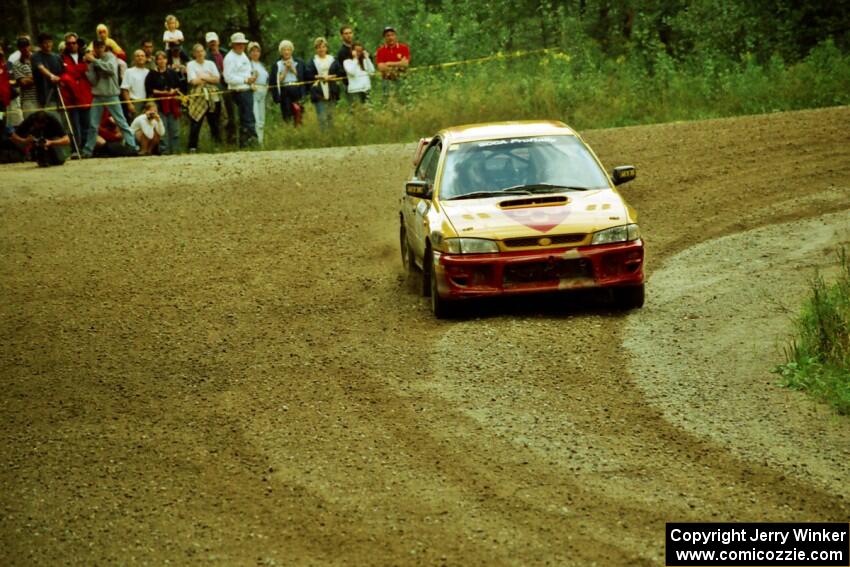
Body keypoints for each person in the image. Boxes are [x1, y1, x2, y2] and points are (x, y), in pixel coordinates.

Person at [81, 38, 137, 157]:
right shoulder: (93, 61)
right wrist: (88, 66)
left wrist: (95, 61)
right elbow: (93, 81)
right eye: (97, 47)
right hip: (98, 95)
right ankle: (87, 150)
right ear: (94, 48)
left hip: (111, 95)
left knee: (121, 121)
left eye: (101, 46)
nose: (99, 49)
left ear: (104, 47)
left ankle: (132, 145)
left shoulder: (111, 57)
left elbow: (110, 69)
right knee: (93, 124)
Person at [59, 32, 93, 155]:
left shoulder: (85, 55)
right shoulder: (62, 57)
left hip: (85, 95)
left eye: (74, 43)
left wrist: (76, 70)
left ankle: (85, 149)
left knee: (86, 124)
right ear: (65, 44)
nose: (72, 45)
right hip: (71, 97)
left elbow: (79, 71)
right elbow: (67, 73)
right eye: (69, 43)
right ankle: (75, 149)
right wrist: (81, 68)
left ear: (77, 43)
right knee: (74, 125)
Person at [223, 32, 257, 147]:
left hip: (247, 90)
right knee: (246, 119)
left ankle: (248, 143)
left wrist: (251, 79)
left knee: (248, 118)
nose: (241, 46)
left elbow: (246, 72)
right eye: (238, 44)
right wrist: (245, 80)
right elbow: (228, 78)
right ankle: (248, 143)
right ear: (232, 45)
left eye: (243, 43)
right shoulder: (229, 58)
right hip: (238, 91)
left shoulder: (243, 55)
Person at [145, 50, 182, 154]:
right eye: (159, 59)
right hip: (159, 105)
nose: (161, 61)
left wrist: (173, 91)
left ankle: (175, 151)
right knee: (162, 129)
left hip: (172, 104)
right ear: (156, 61)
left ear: (166, 60)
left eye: (163, 59)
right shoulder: (152, 74)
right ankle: (164, 151)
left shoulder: (172, 72)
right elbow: (149, 89)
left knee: (175, 130)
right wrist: (162, 92)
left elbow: (178, 86)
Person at [186, 43, 221, 152]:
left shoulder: (210, 63)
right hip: (198, 93)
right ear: (194, 54)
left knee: (214, 120)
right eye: (197, 52)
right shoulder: (191, 64)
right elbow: (193, 81)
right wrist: (209, 77)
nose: (200, 53)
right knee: (196, 120)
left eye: (201, 51)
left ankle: (216, 145)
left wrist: (202, 77)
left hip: (212, 93)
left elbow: (217, 79)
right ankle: (193, 147)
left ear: (205, 52)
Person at [206, 31, 236, 145]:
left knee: (231, 114)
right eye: (210, 42)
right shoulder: (207, 57)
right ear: (207, 44)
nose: (213, 44)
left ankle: (231, 140)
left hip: (230, 86)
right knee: (217, 115)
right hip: (216, 88)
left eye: (214, 41)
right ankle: (217, 141)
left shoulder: (226, 53)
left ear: (218, 41)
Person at [305, 37, 341, 131]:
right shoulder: (312, 61)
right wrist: (321, 77)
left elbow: (340, 72)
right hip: (318, 91)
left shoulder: (333, 59)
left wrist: (330, 77)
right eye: (319, 47)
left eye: (323, 47)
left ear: (326, 48)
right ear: (316, 49)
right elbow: (308, 74)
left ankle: (332, 139)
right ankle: (324, 139)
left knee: (331, 116)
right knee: (322, 117)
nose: (321, 49)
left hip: (332, 89)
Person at [270, 40, 306, 126]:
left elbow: (301, 77)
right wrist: (286, 69)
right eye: (284, 50)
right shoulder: (277, 64)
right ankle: (288, 129)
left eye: (288, 49)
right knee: (287, 113)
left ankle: (299, 130)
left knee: (298, 112)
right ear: (281, 52)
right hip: (284, 90)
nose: (286, 52)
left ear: (291, 51)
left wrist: (292, 68)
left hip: (296, 89)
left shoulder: (299, 62)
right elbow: (277, 81)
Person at [31, 33, 65, 109]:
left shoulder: (57, 57)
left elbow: (63, 73)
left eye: (49, 42)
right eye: (45, 42)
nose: (48, 44)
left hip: (59, 95)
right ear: (40, 44)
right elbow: (41, 67)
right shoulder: (36, 56)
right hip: (44, 96)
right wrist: (51, 76)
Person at [375, 26, 410, 96]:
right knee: (387, 100)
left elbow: (405, 64)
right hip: (386, 80)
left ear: (395, 36)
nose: (390, 37)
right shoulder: (380, 51)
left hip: (401, 78)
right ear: (384, 37)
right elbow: (380, 67)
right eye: (388, 36)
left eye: (392, 35)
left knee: (403, 98)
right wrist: (399, 64)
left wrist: (388, 63)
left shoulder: (403, 48)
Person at [11, 37, 38, 119]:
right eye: (22, 46)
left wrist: (29, 77)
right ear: (19, 48)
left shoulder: (38, 59)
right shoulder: (16, 64)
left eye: (27, 46)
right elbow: (23, 83)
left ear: (30, 46)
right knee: (30, 126)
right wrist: (38, 76)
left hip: (42, 97)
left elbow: (44, 76)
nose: (25, 48)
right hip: (28, 100)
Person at [247, 41, 268, 144]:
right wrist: (251, 85)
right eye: (253, 51)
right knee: (256, 117)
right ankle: (256, 141)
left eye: (257, 51)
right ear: (249, 53)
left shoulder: (261, 65)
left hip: (263, 91)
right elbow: (247, 77)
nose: (255, 53)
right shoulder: (248, 64)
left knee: (262, 118)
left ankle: (261, 141)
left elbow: (265, 78)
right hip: (254, 92)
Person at [120, 49, 149, 118]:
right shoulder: (129, 71)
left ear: (145, 58)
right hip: (135, 102)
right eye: (137, 56)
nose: (140, 58)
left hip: (147, 103)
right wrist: (129, 104)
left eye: (142, 56)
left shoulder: (149, 72)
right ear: (134, 58)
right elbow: (124, 89)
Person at [336, 25, 354, 99]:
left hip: (362, 83)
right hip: (350, 84)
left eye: (350, 33)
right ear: (342, 36)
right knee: (354, 108)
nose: (348, 35)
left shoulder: (357, 47)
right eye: (346, 33)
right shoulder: (341, 52)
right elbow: (341, 70)